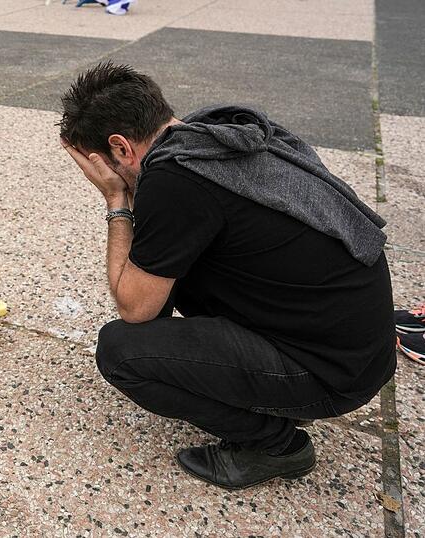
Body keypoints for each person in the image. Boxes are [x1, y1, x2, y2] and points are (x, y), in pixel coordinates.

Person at [58, 62, 395, 489]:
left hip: (332, 374)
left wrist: (116, 199)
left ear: (121, 148)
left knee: (122, 352)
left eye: (101, 164)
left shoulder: (175, 179)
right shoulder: (216, 137)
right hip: (359, 350)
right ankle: (269, 396)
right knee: (171, 270)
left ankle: (277, 447)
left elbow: (135, 308)